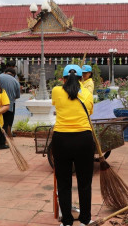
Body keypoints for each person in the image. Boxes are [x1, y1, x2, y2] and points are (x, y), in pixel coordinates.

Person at [51, 64, 95, 226]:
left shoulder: (56, 90)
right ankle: (85, 219)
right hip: (84, 139)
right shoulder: (87, 94)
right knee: (84, 182)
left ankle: (67, 221)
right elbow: (90, 112)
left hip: (61, 139)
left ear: (63, 78)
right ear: (81, 78)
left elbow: (56, 104)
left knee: (63, 183)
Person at [0, 67, 21, 149]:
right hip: (9, 106)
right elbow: (17, 96)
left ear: (5, 72)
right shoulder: (16, 81)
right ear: (13, 75)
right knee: (5, 124)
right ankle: (2, 142)